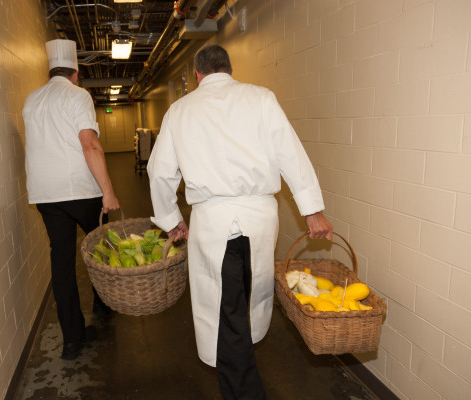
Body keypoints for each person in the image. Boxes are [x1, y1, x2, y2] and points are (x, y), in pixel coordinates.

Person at [147, 44, 333, 399]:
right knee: (243, 300)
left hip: (212, 222)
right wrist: (312, 210)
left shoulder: (179, 110)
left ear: (197, 75)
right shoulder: (261, 98)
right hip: (259, 218)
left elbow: (159, 175)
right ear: (230, 72)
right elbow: (290, 154)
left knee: (227, 307)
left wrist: (172, 220)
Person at [23, 39, 120, 361]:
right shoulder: (77, 95)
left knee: (61, 263)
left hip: (46, 194)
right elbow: (89, 144)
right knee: (99, 248)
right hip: (81, 189)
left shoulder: (32, 99)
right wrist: (108, 190)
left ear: (50, 70)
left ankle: (72, 340)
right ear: (76, 73)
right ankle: (104, 307)